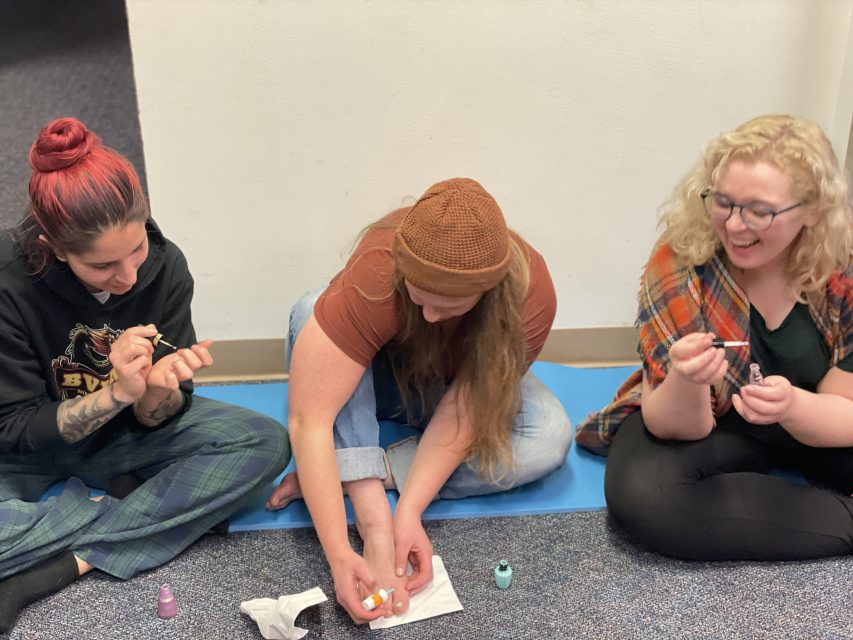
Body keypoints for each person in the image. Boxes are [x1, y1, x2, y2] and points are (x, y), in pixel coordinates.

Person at [0, 117, 290, 632]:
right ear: (56, 248)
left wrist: (154, 396)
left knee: (264, 443)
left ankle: (60, 564)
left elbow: (158, 415)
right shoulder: (9, 281)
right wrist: (115, 395)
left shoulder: (166, 265)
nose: (129, 276)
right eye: (102, 266)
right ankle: (129, 505)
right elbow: (17, 429)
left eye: (135, 250)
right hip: (23, 452)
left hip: (124, 441)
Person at [266, 178, 571, 622]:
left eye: (447, 308)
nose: (429, 316)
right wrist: (360, 541)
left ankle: (353, 471)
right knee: (311, 308)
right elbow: (310, 418)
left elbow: (463, 411)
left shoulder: (531, 295)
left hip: (445, 388)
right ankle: (359, 486)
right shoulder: (379, 267)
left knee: (549, 436)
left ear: (487, 294)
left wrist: (409, 512)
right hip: (371, 379)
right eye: (419, 298)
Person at [578, 114, 853, 560]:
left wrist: (792, 406)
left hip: (814, 419)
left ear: (813, 210)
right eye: (723, 202)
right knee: (646, 494)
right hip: (718, 427)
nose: (735, 225)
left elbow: (845, 413)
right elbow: (670, 424)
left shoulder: (843, 269)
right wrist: (687, 379)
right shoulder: (681, 262)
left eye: (760, 211)